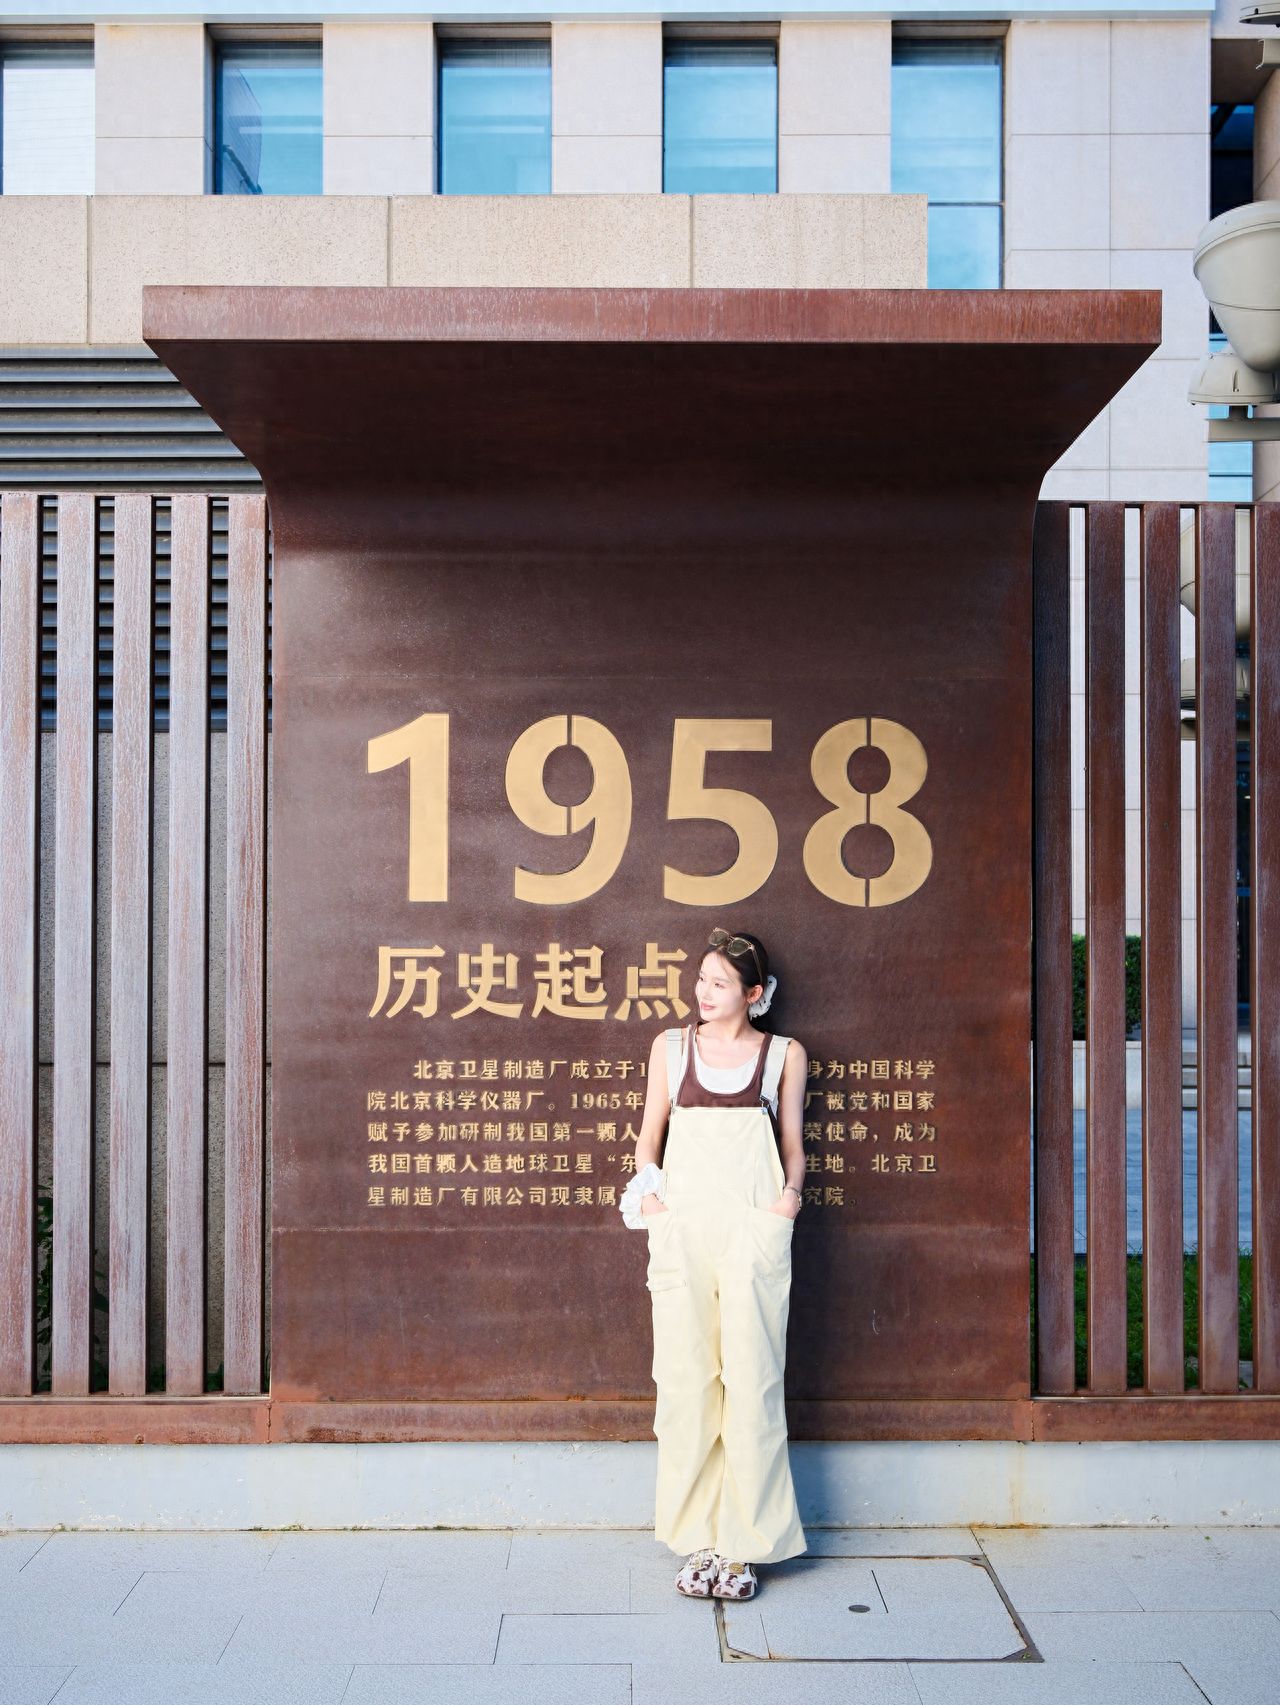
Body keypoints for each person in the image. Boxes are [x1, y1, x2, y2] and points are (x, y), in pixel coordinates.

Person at [618, 927, 808, 1601]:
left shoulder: (783, 1054)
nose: (704, 992)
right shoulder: (670, 1048)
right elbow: (648, 1136)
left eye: (720, 983)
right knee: (686, 1376)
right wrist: (658, 1206)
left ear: (753, 995)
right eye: (701, 979)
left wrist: (786, 1204)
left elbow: (792, 1142)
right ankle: (698, 1534)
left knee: (753, 1378)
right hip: (684, 1225)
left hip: (753, 1222)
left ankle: (745, 1544)